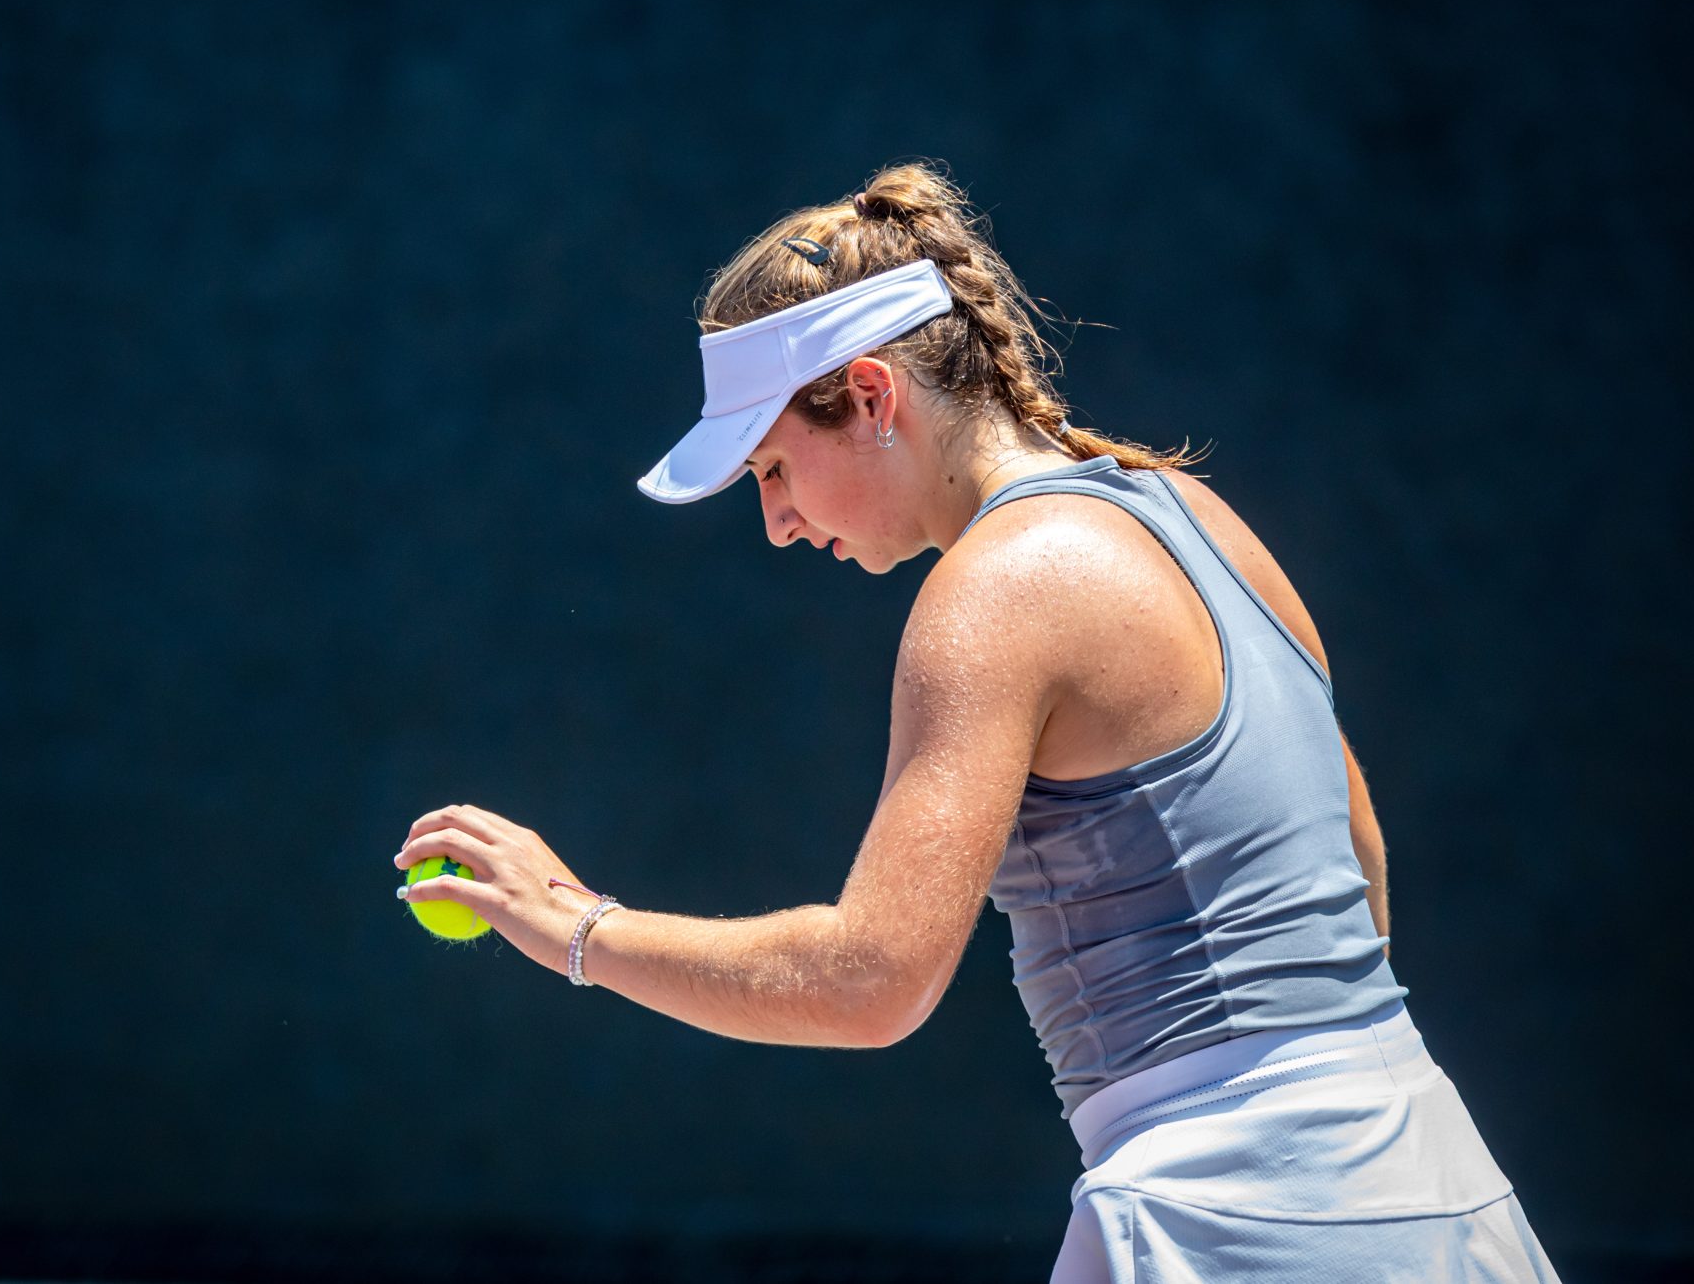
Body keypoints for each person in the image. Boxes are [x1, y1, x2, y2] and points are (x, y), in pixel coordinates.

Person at [393, 162, 1560, 1280]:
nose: (777, 525)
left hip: (1242, 1216)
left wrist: (577, 928)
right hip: (1432, 1173)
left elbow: (870, 982)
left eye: (772, 470)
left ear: (870, 395)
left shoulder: (996, 586)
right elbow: (1355, 845)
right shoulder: (1186, 507)